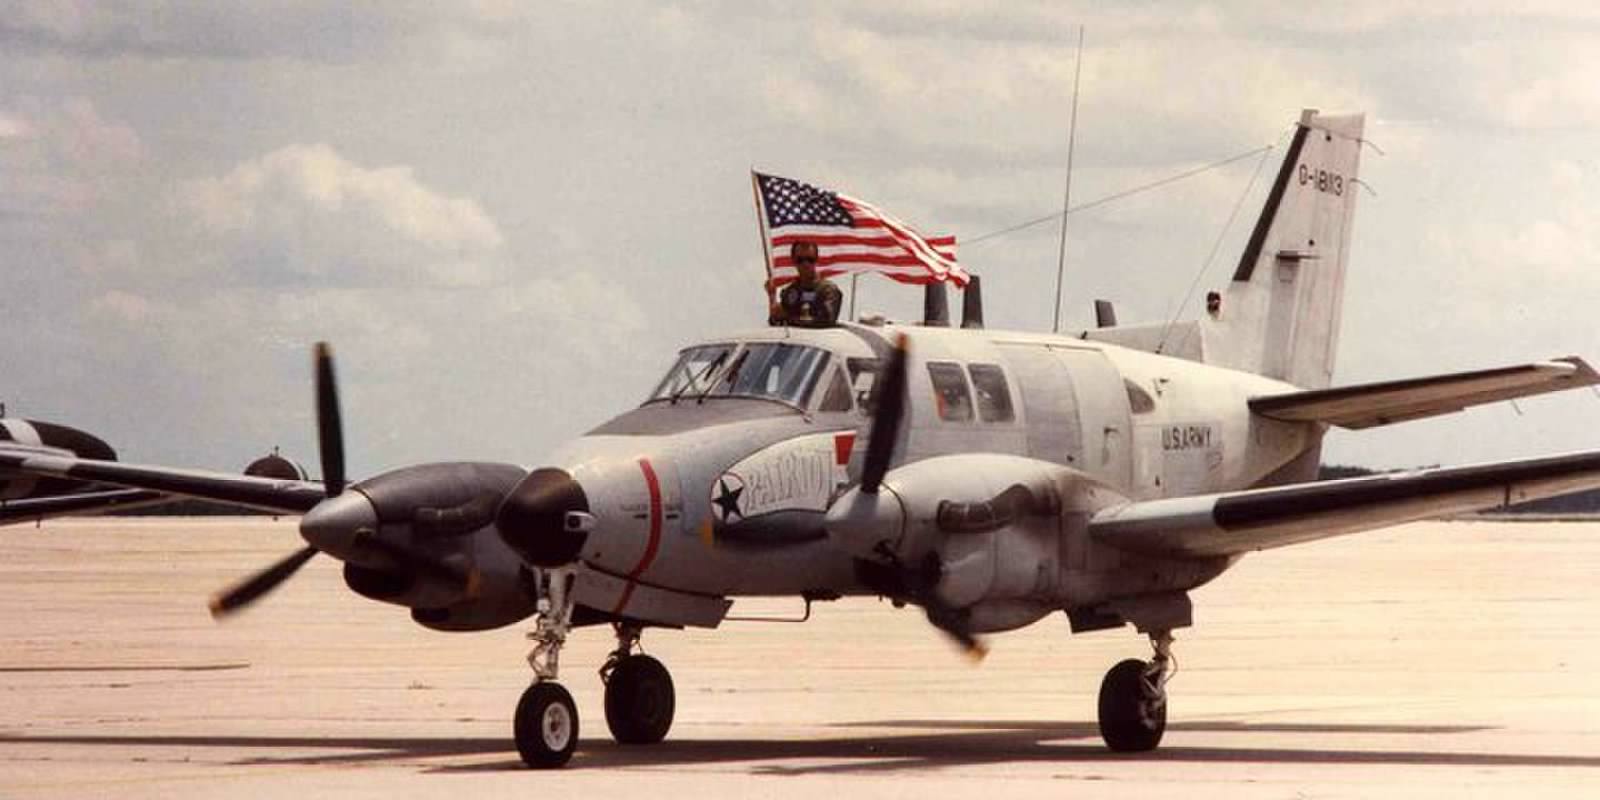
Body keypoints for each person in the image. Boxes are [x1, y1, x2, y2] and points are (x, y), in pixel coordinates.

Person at [769, 240, 842, 327]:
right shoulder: (790, 292)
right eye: (800, 260)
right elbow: (776, 322)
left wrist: (790, 318)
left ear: (816, 260)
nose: (805, 264)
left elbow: (825, 320)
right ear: (793, 260)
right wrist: (772, 298)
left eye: (810, 260)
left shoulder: (828, 291)